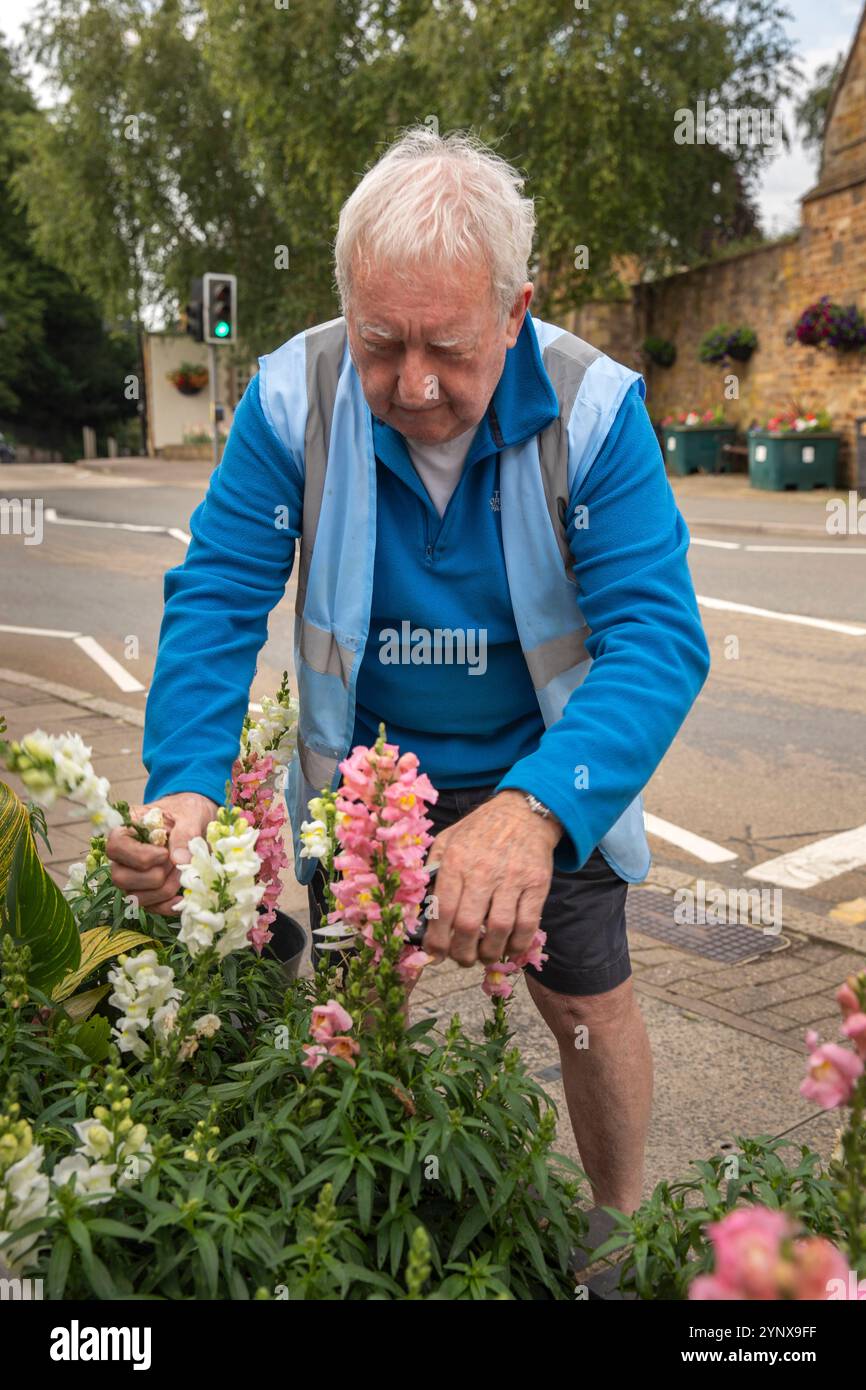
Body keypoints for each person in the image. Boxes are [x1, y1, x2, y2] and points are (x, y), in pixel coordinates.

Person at [107, 126, 711, 1214]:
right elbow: (215, 601)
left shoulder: (596, 409)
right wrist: (185, 785)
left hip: (550, 768)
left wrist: (533, 811)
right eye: (380, 342)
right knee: (347, 1013)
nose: (414, 385)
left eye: (449, 346)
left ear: (515, 310)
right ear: (345, 302)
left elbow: (658, 640)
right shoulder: (290, 397)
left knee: (587, 1003)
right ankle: (360, 1225)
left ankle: (620, 1233)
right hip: (368, 782)